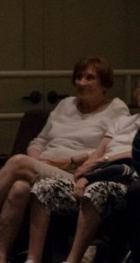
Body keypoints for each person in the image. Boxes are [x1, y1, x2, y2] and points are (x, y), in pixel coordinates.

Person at [0, 56, 129, 263]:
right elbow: (39, 141)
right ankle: (2, 259)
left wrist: (71, 160)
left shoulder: (116, 109)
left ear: (105, 83)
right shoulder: (65, 105)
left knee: (18, 162)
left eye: (89, 78)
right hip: (44, 167)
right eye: (79, 77)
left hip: (75, 174)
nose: (81, 83)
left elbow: (108, 152)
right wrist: (37, 162)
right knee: (19, 187)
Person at [25, 85, 140, 263]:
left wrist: (95, 171)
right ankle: (33, 259)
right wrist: (82, 171)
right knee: (44, 187)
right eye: (139, 88)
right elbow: (97, 154)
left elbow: (131, 156)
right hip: (98, 172)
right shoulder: (123, 121)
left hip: (123, 178)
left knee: (96, 189)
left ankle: (73, 259)